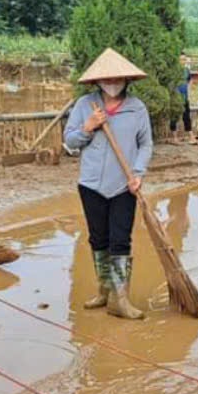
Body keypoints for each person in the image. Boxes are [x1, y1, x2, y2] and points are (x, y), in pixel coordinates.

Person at [63, 49, 153, 320]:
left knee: (120, 240)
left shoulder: (137, 108)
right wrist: (88, 127)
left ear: (126, 79)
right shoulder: (84, 106)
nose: (112, 83)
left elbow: (146, 144)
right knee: (98, 239)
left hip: (124, 185)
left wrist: (138, 173)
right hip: (91, 185)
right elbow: (69, 143)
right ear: (97, 81)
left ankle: (120, 299)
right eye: (107, 79)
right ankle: (104, 291)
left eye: (118, 78)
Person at [169, 70, 198, 145]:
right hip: (175, 97)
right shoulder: (172, 69)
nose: (183, 59)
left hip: (184, 97)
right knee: (174, 117)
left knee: (186, 117)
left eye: (184, 58)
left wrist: (189, 89)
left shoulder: (186, 70)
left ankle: (191, 137)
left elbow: (190, 80)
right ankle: (175, 138)